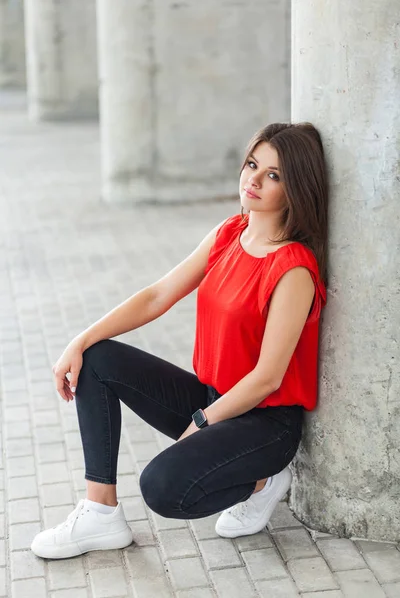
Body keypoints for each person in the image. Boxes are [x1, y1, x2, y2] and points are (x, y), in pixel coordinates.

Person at [31, 122, 328, 560]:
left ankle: (264, 481)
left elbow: (267, 378)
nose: (253, 179)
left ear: (297, 186)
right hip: (215, 396)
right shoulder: (230, 233)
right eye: (252, 165)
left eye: (273, 175)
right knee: (97, 358)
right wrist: (80, 338)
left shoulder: (294, 269)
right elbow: (157, 296)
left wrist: (203, 422)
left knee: (163, 488)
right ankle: (99, 512)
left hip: (266, 423)